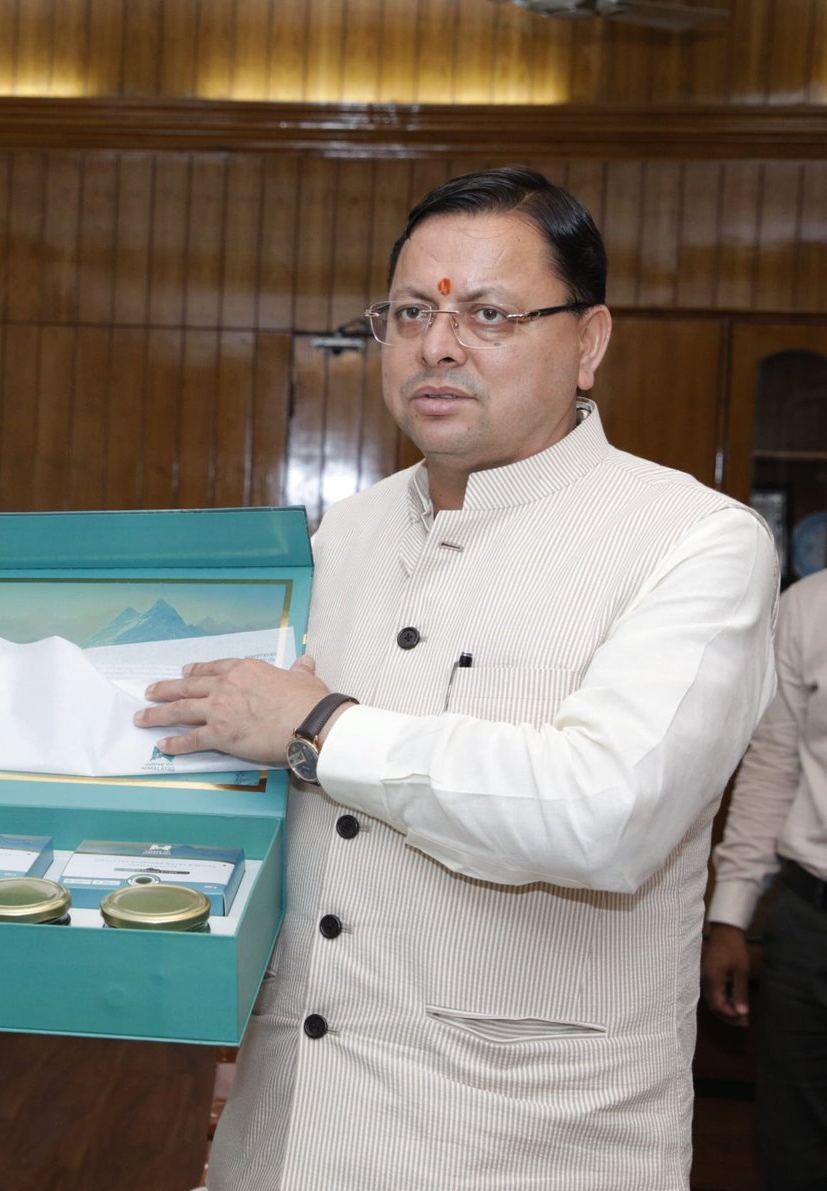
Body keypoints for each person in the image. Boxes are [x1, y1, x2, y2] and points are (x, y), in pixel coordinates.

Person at [137, 167, 778, 1189]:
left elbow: (606, 815)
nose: (437, 345)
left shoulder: (693, 542)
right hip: (286, 1132)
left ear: (588, 342)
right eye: (408, 313)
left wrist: (322, 726)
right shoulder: (343, 534)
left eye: (489, 314)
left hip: (520, 1147)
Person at [703, 568, 827, 1190]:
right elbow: (774, 764)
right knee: (797, 1153)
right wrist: (729, 914)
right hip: (810, 925)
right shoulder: (809, 605)